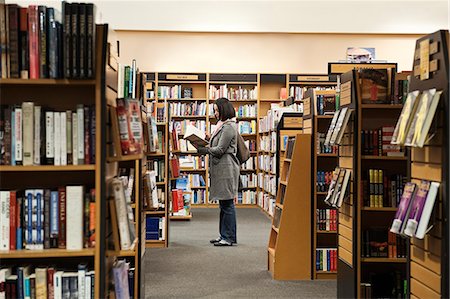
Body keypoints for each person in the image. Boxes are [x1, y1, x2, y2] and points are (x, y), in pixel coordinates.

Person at [196, 98, 239, 246]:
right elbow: (219, 144)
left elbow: (220, 150)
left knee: (227, 203)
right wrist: (208, 139)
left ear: (223, 110)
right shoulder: (222, 126)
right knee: (224, 203)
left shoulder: (228, 127)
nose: (215, 113)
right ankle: (225, 235)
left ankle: (228, 237)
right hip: (222, 168)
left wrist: (204, 150)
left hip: (226, 169)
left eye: (216, 110)